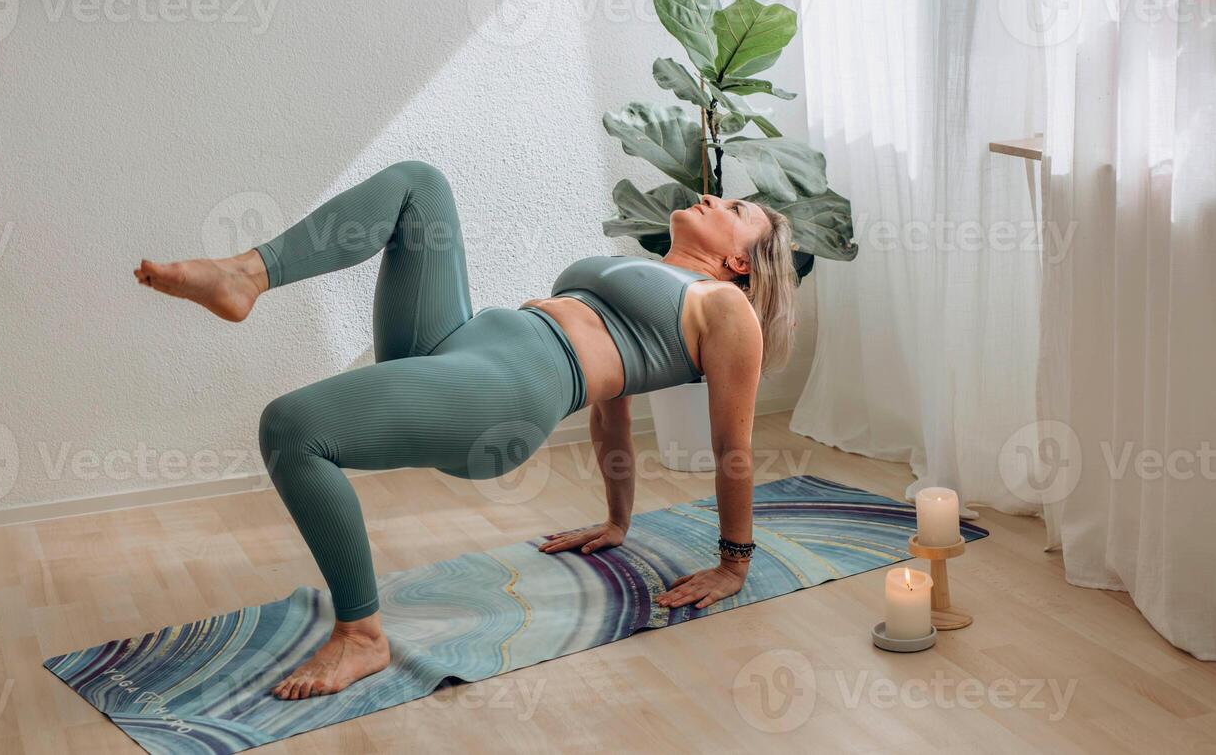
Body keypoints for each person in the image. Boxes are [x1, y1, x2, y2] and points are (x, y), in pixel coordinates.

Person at [135, 160, 798, 700]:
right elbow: (612, 413)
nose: (715, 198)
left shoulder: (725, 308)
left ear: (741, 262)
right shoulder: (649, 272)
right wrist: (617, 522)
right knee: (420, 184)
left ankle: (362, 635)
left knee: (291, 427)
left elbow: (731, 448)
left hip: (507, 389)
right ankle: (244, 273)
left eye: (736, 212)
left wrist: (734, 564)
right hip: (457, 341)